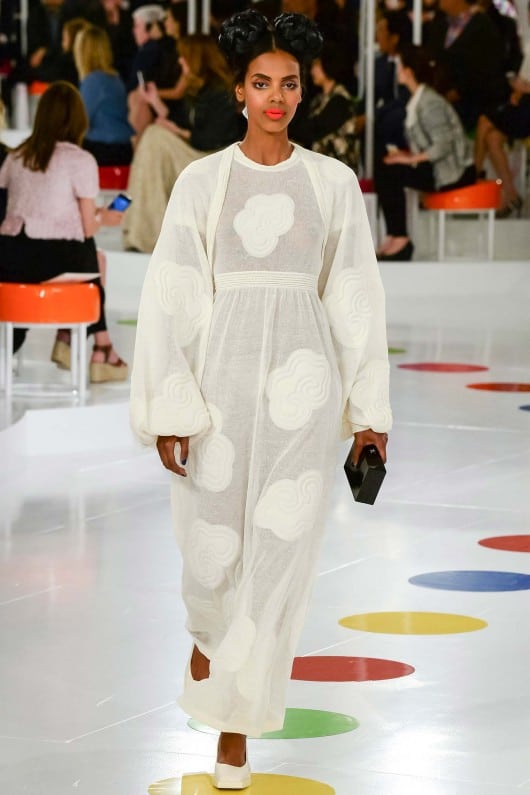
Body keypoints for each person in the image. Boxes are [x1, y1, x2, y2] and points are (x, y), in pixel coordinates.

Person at [129, 9, 391, 789]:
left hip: (303, 398)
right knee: (212, 558)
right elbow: (172, 295)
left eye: (289, 84)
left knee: (279, 563)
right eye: (261, 83)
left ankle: (234, 733)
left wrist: (368, 416)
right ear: (239, 91)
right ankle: (209, 630)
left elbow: (356, 299)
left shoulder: (331, 183)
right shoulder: (204, 183)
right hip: (219, 392)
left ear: (303, 93)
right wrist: (171, 410)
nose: (276, 97)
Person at [0, 81, 127, 383]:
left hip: (10, 258)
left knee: (93, 257)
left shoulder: (16, 157)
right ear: (78, 119)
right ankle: (92, 345)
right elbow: (87, 227)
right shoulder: (79, 159)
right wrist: (106, 217)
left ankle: (92, 345)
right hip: (55, 259)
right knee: (90, 252)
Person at [122, 33, 242, 253]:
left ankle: (145, 228)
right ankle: (145, 228)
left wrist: (175, 130)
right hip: (198, 153)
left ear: (196, 59)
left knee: (153, 138)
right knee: (153, 138)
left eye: (184, 57)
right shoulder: (199, 90)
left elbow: (211, 138)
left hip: (213, 158)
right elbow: (183, 123)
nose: (179, 61)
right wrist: (157, 104)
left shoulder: (220, 93)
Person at [374, 44, 476, 261]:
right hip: (438, 167)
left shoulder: (430, 103)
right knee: (386, 166)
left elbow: (443, 145)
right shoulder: (419, 99)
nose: (397, 71)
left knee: (391, 171)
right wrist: (406, 157)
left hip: (453, 173)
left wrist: (410, 159)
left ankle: (400, 238)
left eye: (400, 67)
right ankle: (395, 234)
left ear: (409, 72)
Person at [425, 0, 510, 132]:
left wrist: (458, 92)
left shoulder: (482, 26)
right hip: (441, 93)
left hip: (472, 100)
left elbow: (487, 71)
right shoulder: (440, 23)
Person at [474, 38, 530, 217]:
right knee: (492, 138)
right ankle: (511, 195)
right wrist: (518, 90)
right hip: (523, 103)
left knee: (484, 121)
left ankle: (474, 175)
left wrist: (523, 89)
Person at [74, 25, 134, 165]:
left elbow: (80, 122)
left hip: (103, 149)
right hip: (124, 147)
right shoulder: (115, 79)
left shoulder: (93, 81)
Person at [294, 41, 358, 169]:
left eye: (317, 64)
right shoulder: (319, 99)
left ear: (328, 65)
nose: (313, 70)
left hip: (337, 168)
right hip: (322, 165)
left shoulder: (340, 100)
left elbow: (314, 130)